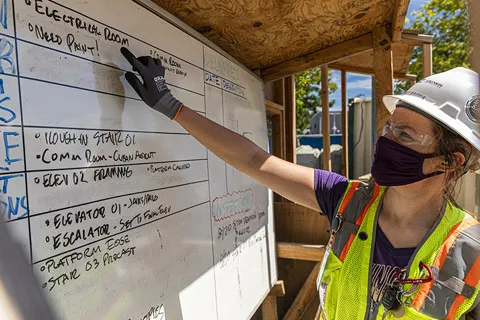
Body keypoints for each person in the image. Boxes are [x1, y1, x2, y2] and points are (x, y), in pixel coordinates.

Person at [120, 47, 480, 320]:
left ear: (450, 161)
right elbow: (253, 160)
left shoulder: (471, 252)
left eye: (404, 135)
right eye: (388, 127)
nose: (384, 140)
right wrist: (172, 106)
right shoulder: (347, 200)